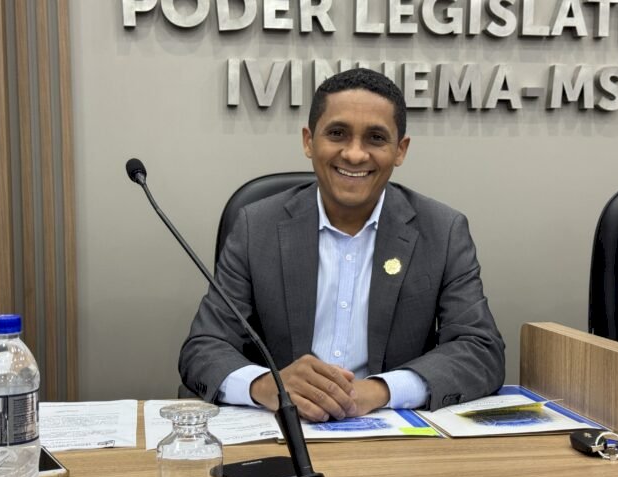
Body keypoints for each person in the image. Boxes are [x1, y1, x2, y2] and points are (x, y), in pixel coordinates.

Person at [180, 68, 505, 422]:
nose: (354, 154)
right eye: (337, 133)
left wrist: (379, 390)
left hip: (390, 432)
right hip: (283, 431)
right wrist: (268, 386)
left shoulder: (442, 231)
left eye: (376, 138)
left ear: (400, 150)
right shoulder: (255, 226)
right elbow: (204, 347)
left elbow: (480, 350)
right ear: (309, 141)